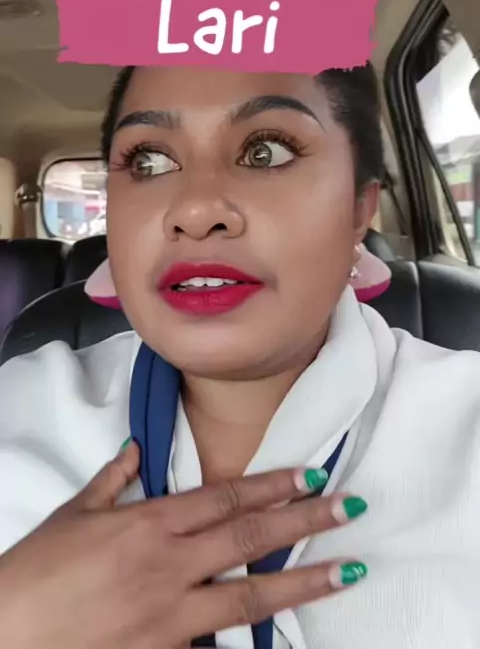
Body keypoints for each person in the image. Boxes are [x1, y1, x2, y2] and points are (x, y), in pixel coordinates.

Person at [0, 63, 479, 648]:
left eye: (266, 152)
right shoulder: (16, 408)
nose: (196, 210)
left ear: (359, 207)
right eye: (149, 160)